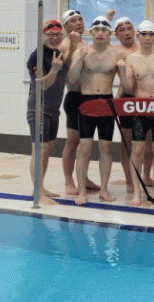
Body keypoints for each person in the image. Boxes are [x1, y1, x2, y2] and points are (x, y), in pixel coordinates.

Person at [67, 16, 127, 205]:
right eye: (96, 30)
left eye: (104, 30)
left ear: (110, 34)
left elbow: (127, 85)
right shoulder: (81, 52)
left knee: (105, 148)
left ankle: (104, 190)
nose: (100, 33)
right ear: (91, 32)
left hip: (107, 103)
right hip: (87, 100)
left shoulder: (117, 54)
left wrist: (122, 74)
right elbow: (71, 79)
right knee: (84, 147)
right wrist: (80, 59)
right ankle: (82, 191)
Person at [121, 20, 154, 206]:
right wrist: (121, 71)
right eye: (144, 34)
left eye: (151, 34)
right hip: (140, 109)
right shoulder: (132, 59)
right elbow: (128, 87)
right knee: (138, 149)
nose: (147, 38)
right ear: (138, 36)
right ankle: (137, 192)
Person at [58, 9, 99, 195]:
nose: (79, 23)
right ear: (65, 26)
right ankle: (68, 181)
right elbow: (69, 72)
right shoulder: (64, 45)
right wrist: (74, 44)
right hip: (74, 98)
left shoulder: (84, 42)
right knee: (73, 142)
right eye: (73, 21)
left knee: (86, 143)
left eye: (80, 19)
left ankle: (84, 177)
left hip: (88, 97)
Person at [26, 20, 67, 205]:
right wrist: (55, 69)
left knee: (47, 149)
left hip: (53, 110)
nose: (55, 38)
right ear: (42, 36)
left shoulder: (57, 54)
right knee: (39, 149)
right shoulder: (37, 57)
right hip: (39, 109)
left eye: (58, 35)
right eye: (50, 35)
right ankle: (38, 192)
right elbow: (42, 85)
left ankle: (41, 187)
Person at [112, 16, 144, 193]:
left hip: (145, 99)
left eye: (129, 28)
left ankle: (145, 176)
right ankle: (129, 179)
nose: (127, 33)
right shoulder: (116, 52)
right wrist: (116, 101)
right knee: (127, 142)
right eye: (122, 31)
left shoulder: (143, 46)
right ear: (116, 35)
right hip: (127, 99)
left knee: (146, 142)